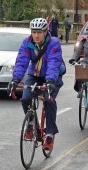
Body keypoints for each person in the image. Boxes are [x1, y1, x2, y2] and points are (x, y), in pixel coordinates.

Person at [7, 18, 64, 151]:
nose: (36, 35)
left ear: (45, 32)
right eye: (34, 32)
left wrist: (50, 82)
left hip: (52, 75)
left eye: (39, 32)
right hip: (35, 74)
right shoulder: (27, 43)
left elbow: (53, 64)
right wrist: (15, 79)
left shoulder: (53, 43)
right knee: (26, 98)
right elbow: (22, 61)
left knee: (49, 100)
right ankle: (31, 123)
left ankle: (49, 134)